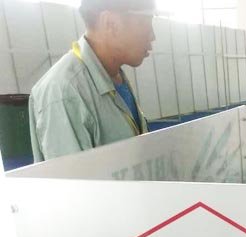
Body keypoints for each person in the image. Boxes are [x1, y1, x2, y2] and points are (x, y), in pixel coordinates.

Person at [29, 0, 156, 162]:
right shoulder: (64, 93)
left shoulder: (114, 76)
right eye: (145, 22)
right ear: (111, 24)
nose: (152, 36)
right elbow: (72, 177)